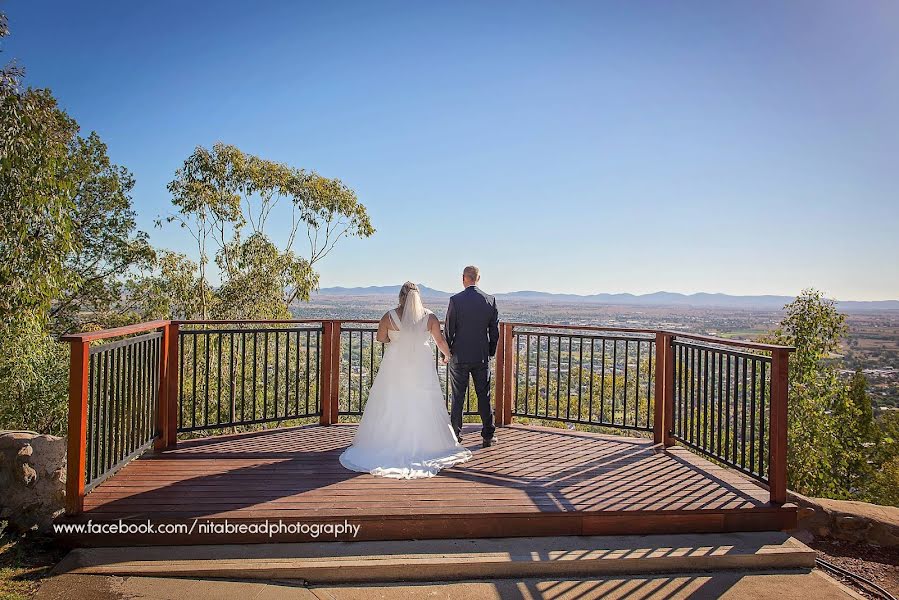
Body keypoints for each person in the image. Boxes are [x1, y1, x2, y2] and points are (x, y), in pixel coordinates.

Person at [339, 282, 472, 478]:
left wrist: (398, 341)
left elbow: (381, 338)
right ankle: (427, 442)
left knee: (392, 399)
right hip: (422, 365)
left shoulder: (388, 316)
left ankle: (386, 442)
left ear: (400, 296)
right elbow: (440, 341)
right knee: (423, 400)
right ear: (418, 296)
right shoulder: (430, 317)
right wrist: (447, 356)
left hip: (395, 365)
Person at [445, 265, 499, 448]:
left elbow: (449, 329)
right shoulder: (489, 300)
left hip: (459, 356)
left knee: (458, 397)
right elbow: (494, 331)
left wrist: (448, 352)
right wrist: (490, 351)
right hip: (481, 356)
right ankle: (488, 435)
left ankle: (456, 436)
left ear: (463, 278)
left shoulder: (455, 300)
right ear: (478, 278)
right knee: (484, 395)